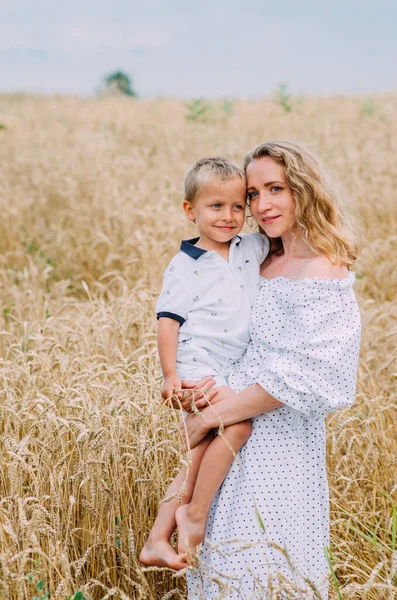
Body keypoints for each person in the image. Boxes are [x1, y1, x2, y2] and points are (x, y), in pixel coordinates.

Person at [174, 141, 362, 598]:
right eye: (253, 194)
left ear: (302, 189)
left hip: (279, 445)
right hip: (230, 434)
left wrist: (212, 417)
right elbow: (215, 324)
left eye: (275, 188)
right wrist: (195, 382)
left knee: (267, 563)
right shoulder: (255, 259)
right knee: (221, 563)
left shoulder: (324, 270)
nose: (262, 205)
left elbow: (309, 375)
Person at [139, 157, 269, 570]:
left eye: (237, 207)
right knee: (240, 425)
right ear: (190, 211)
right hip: (198, 363)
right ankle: (193, 515)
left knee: (196, 456)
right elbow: (168, 322)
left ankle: (158, 538)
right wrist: (171, 375)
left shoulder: (249, 247)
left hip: (231, 366)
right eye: (215, 207)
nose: (228, 217)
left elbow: (293, 239)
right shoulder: (186, 265)